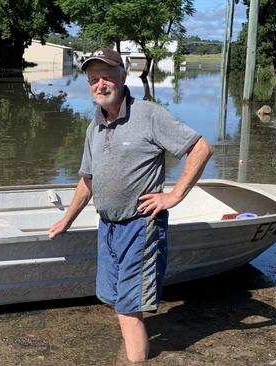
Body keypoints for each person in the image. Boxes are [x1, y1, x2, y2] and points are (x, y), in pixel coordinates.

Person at [48, 48, 212, 362]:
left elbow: (201, 148)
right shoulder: (93, 126)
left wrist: (173, 196)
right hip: (107, 227)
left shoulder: (149, 114)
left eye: (107, 76)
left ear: (124, 77)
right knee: (114, 299)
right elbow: (88, 180)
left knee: (128, 308)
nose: (100, 84)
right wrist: (67, 220)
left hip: (141, 227)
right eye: (94, 79)